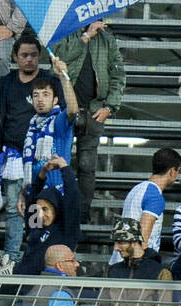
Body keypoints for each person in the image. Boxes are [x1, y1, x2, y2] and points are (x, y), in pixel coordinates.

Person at [0, 33, 66, 266]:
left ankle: (35, 255)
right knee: (14, 209)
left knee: (39, 208)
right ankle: (12, 257)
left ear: (39, 56)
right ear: (15, 56)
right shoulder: (5, 83)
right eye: (24, 55)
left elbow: (63, 114)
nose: (29, 59)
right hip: (13, 154)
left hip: (41, 158)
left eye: (33, 55)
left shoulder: (49, 81)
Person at [51, 18, 126, 221]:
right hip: (64, 111)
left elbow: (118, 74)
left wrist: (110, 107)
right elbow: (58, 59)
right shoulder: (64, 31)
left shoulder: (108, 40)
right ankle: (54, 211)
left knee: (86, 166)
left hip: (94, 111)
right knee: (57, 162)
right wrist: (86, 37)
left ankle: (80, 216)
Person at [98, 217, 174, 306]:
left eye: (121, 242)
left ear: (134, 241)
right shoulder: (113, 271)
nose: (116, 247)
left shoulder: (158, 272)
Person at [109, 147, 181, 266]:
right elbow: (142, 237)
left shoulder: (137, 189)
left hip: (120, 261)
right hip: (133, 265)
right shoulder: (155, 196)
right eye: (178, 171)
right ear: (172, 171)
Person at [19, 64, 79, 203]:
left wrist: (64, 77)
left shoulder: (58, 122)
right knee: (34, 225)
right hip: (35, 194)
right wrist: (22, 193)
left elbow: (73, 110)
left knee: (57, 226)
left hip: (58, 195)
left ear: (55, 100)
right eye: (36, 95)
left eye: (46, 95)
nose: (40, 99)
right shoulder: (32, 127)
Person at [13, 159, 81, 277]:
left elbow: (72, 198)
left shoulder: (66, 230)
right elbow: (32, 199)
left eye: (45, 209)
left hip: (44, 288)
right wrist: (42, 174)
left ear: (56, 208)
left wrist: (64, 167)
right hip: (21, 285)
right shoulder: (36, 227)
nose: (40, 214)